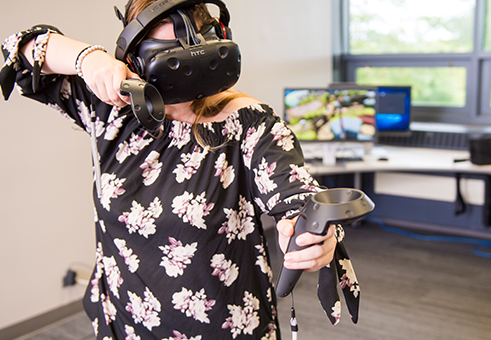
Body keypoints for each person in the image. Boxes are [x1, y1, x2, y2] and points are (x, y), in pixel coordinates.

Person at [0, 1, 359, 338]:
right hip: (124, 319)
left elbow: (297, 196)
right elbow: (18, 52)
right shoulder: (110, 109)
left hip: (222, 324)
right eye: (163, 53)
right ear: (134, 57)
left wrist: (310, 235)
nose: (183, 65)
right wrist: (87, 59)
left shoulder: (248, 123)